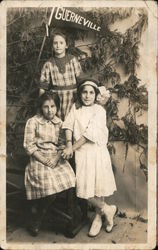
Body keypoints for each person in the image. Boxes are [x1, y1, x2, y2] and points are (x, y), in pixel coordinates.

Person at [61, 78, 117, 237]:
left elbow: (89, 135)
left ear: (96, 95)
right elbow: (67, 125)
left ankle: (99, 218)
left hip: (96, 152)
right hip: (82, 154)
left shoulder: (99, 111)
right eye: (84, 92)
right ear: (80, 94)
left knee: (98, 186)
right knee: (84, 188)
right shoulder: (75, 108)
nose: (87, 96)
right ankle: (108, 209)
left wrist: (71, 147)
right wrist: (67, 143)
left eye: (91, 92)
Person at [23, 92, 76, 236]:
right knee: (50, 187)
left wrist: (56, 158)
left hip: (55, 158)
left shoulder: (59, 123)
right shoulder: (33, 122)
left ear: (57, 107)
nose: (50, 110)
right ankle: (37, 218)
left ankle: (68, 220)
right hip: (38, 158)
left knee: (70, 178)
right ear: (41, 108)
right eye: (46, 107)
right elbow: (29, 146)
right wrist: (44, 160)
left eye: (53, 106)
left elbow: (62, 144)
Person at [40, 31, 82, 121]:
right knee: (57, 122)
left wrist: (79, 99)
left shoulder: (73, 60)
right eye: (55, 43)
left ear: (66, 45)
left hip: (72, 97)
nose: (58, 45)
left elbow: (81, 81)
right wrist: (41, 104)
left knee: (72, 121)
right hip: (56, 98)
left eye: (61, 43)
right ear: (52, 46)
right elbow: (43, 87)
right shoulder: (48, 64)